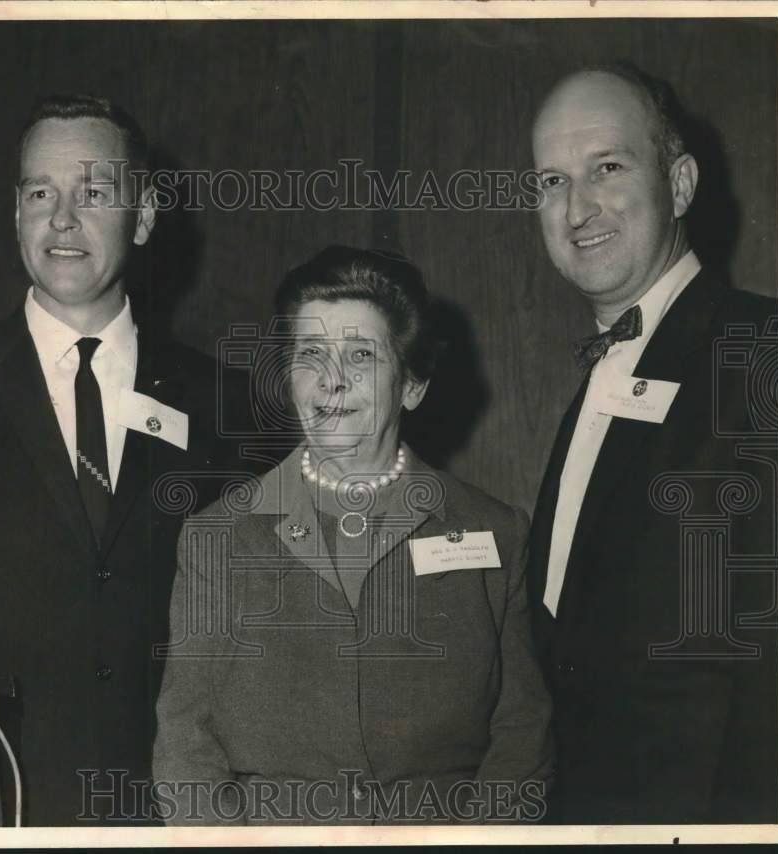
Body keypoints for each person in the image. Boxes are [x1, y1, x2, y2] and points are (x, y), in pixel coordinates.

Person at [0, 94, 233, 825]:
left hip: (176, 815)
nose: (62, 218)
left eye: (93, 192)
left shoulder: (228, 405)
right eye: (41, 192)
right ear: (16, 212)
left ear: (146, 215)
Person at [152, 246, 554, 826]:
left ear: (413, 384)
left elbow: (520, 737)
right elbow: (186, 745)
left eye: (360, 355)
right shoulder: (218, 538)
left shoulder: (494, 532)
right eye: (310, 354)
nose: (332, 379)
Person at [526, 65, 778, 824]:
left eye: (607, 166)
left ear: (680, 183)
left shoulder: (764, 353)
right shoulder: (599, 377)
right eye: (551, 181)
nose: (576, 208)